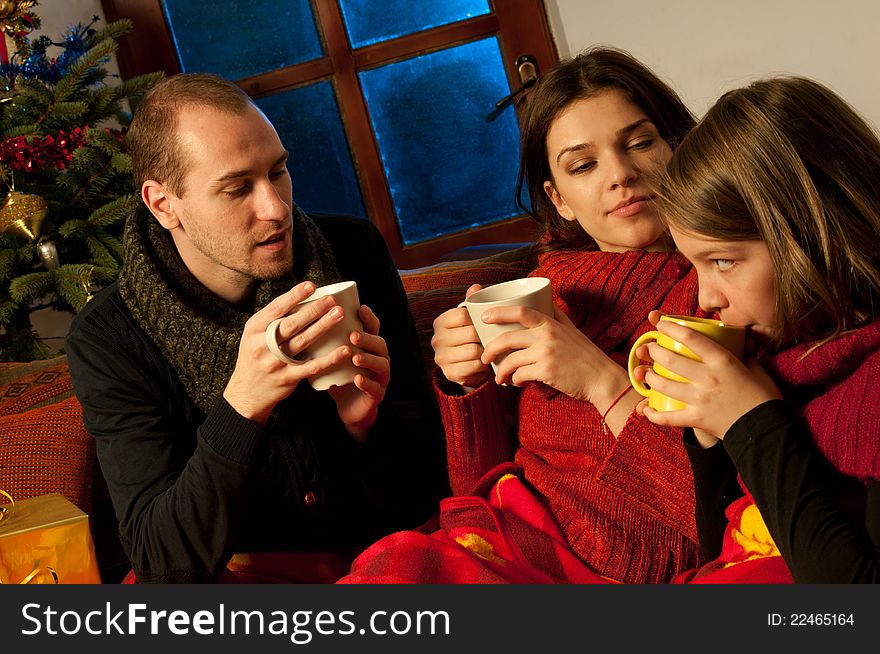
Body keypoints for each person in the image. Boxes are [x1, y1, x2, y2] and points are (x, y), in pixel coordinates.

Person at [339, 47, 704, 584]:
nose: (621, 175)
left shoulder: (722, 287)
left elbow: (711, 515)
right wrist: (469, 387)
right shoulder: (542, 292)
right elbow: (474, 489)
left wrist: (601, 382)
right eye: (584, 165)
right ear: (560, 199)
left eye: (640, 142)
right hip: (507, 539)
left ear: (680, 147)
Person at [64, 73, 449, 583]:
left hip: (387, 561)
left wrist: (364, 429)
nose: (276, 207)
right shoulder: (108, 338)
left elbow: (430, 487)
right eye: (237, 187)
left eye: (279, 171)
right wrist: (242, 406)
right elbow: (163, 564)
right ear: (163, 205)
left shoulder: (353, 252)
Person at [635, 76, 880, 583]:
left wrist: (754, 423)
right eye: (695, 266)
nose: (706, 298)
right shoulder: (790, 356)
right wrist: (710, 433)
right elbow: (729, 556)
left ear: (817, 234)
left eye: (723, 260)